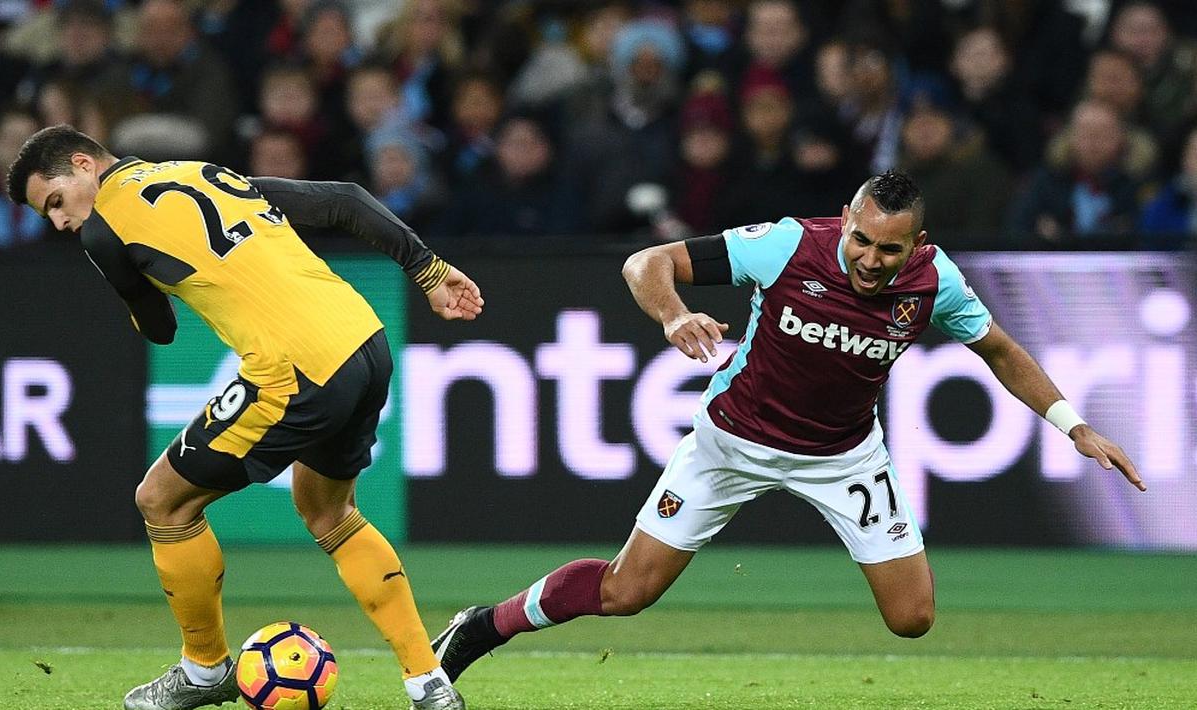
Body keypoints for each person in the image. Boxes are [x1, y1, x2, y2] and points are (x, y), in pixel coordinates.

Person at [429, 170, 1145, 684]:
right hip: (728, 443)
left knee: (912, 619)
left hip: (843, 458)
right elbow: (645, 261)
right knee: (626, 593)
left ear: (916, 243)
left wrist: (1072, 425)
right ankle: (482, 626)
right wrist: (674, 313)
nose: (869, 261)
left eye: (888, 251)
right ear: (846, 217)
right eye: (860, 240)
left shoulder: (936, 284)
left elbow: (998, 349)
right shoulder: (785, 245)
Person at [5, 124, 480, 710]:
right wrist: (429, 272)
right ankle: (427, 682)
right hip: (365, 340)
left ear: (83, 164)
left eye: (55, 201)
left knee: (161, 501)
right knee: (329, 511)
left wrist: (138, 287)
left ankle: (204, 671)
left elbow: (160, 329)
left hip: (292, 369)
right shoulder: (205, 173)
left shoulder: (105, 229)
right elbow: (346, 200)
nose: (59, 222)